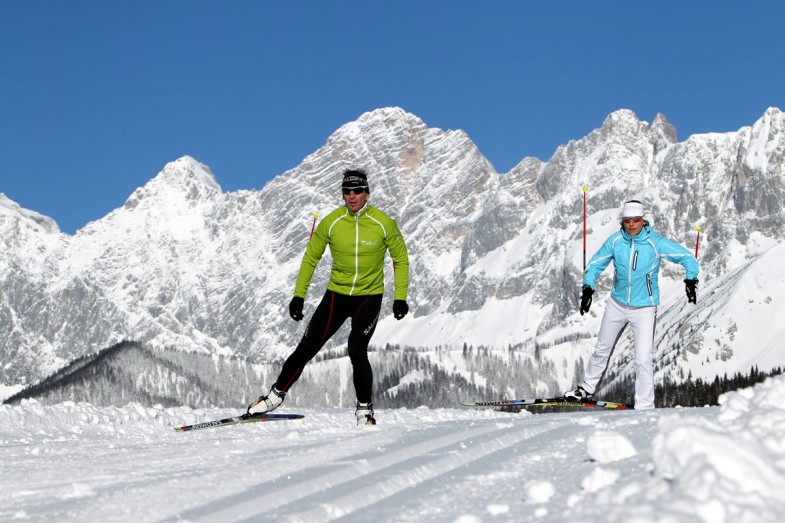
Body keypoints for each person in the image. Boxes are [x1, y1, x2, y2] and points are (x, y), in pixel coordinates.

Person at [248, 168, 410, 425]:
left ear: (367, 193)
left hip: (369, 296)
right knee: (307, 346)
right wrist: (298, 296)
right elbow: (311, 257)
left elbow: (400, 259)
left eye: (357, 191)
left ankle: (364, 410)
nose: (352, 196)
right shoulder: (332, 222)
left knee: (357, 348)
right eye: (347, 192)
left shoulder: (384, 223)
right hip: (337, 295)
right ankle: (275, 396)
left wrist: (400, 297)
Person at [564, 200, 699, 409]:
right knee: (602, 349)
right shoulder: (616, 241)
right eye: (627, 220)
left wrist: (691, 280)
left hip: (644, 308)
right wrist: (588, 288)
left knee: (643, 358)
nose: (631, 224)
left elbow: (688, 258)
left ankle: (644, 405)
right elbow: (594, 264)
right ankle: (586, 389)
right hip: (617, 304)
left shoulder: (655, 243)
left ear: (643, 220)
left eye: (635, 220)